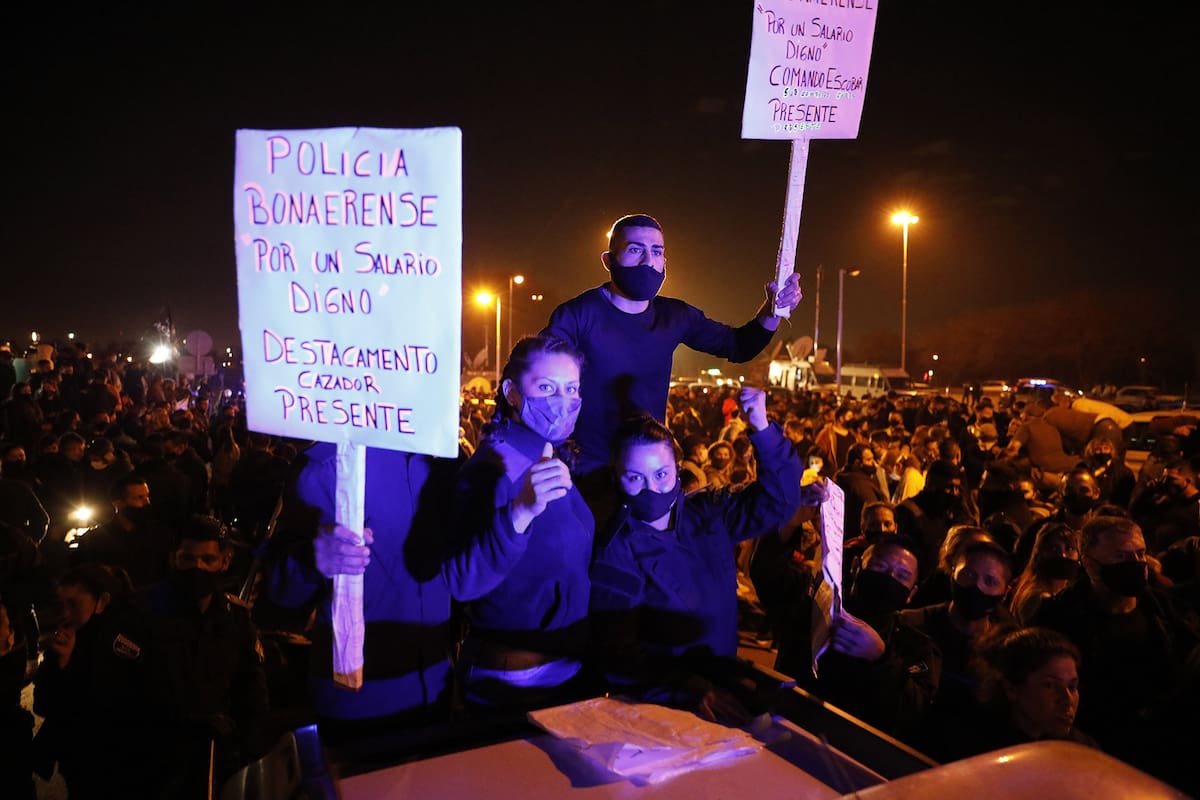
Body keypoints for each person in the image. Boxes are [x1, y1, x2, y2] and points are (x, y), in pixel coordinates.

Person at [588, 387, 802, 723]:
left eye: (661, 475)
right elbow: (619, 653)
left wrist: (761, 425)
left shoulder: (707, 513)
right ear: (617, 477)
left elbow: (778, 502)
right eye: (634, 478)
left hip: (724, 685)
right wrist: (688, 689)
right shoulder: (617, 549)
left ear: (678, 468)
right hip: (664, 711)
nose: (651, 489)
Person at [542, 213, 802, 481]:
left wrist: (773, 310)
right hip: (585, 472)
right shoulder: (577, 315)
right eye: (635, 250)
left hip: (648, 473)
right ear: (608, 260)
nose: (648, 261)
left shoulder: (675, 316)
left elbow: (738, 346)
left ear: (665, 261)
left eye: (657, 252)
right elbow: (536, 373)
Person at [443, 333, 596, 711]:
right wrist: (519, 514)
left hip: (561, 666)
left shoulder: (547, 457)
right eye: (546, 387)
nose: (562, 401)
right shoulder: (492, 468)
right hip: (515, 680)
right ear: (512, 392)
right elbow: (462, 580)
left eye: (571, 388)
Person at [265, 444, 460, 738]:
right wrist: (311, 559)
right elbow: (277, 593)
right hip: (358, 707)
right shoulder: (327, 465)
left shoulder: (446, 462)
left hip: (440, 690)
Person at [1031, 515, 1200, 794]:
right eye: (1121, 556)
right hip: (1096, 755)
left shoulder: (1166, 611)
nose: (1135, 564)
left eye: (1140, 553)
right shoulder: (1058, 618)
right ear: (1089, 563)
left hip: (1166, 751)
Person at [137, 514, 269, 797]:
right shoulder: (140, 613)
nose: (197, 568)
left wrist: (243, 749)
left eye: (207, 560)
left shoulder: (236, 619)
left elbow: (252, 691)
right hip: (152, 763)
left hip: (215, 760)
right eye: (188, 559)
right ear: (174, 558)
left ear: (225, 561)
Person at [773, 535, 941, 741]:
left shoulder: (916, 646)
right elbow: (771, 574)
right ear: (856, 566)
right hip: (785, 728)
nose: (889, 577)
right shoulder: (817, 605)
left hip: (855, 752)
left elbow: (912, 711)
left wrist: (881, 657)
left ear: (911, 592)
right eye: (880, 566)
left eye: (902, 576)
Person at [32, 564, 152, 798]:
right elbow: (43, 704)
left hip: (120, 762)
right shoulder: (67, 638)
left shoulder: (126, 640)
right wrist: (62, 664)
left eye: (74, 604)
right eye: (62, 604)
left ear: (102, 601)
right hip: (78, 764)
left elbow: (116, 704)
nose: (66, 613)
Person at [901, 539, 1018, 761]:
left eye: (990, 581)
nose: (977, 587)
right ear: (953, 572)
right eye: (969, 575)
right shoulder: (913, 625)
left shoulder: (1007, 646)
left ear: (1005, 591)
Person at [950, 626, 1097, 760]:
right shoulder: (980, 753)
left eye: (1072, 687)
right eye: (1049, 685)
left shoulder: (1083, 751)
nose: (1067, 699)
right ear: (1012, 688)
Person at [1007, 522, 1082, 625]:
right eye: (1054, 549)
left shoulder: (1064, 588)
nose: (1063, 555)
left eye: (1069, 549)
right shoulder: (1037, 598)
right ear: (1039, 555)